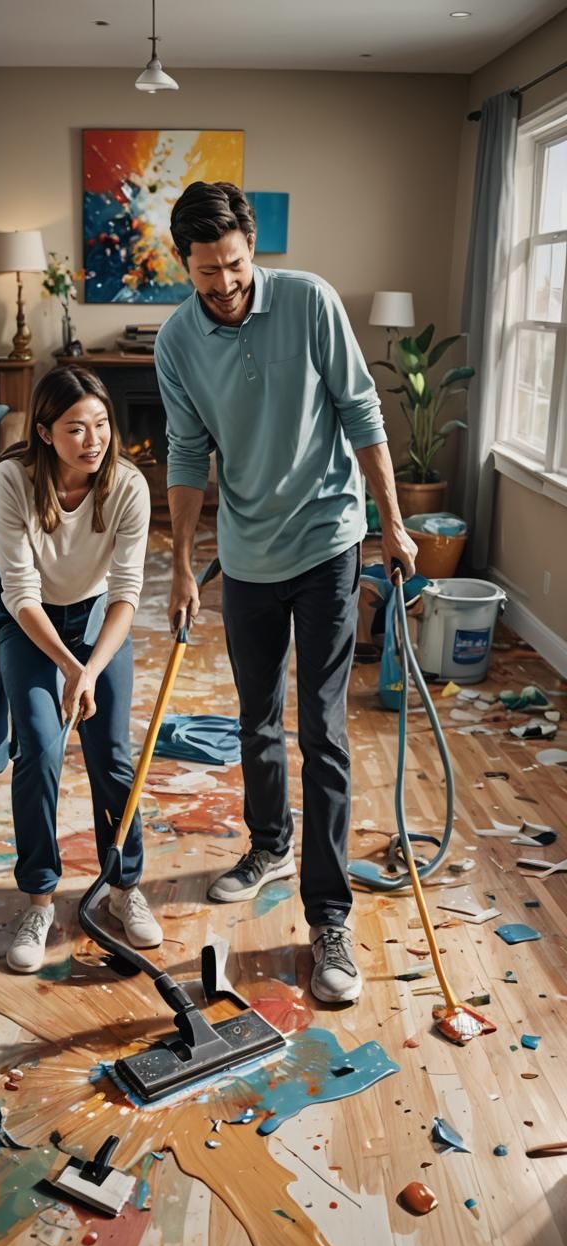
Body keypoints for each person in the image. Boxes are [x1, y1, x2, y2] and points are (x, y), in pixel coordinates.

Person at [155, 181, 417, 1005]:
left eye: (233, 266)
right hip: (246, 555)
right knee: (255, 719)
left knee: (325, 731)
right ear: (183, 265)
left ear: (251, 247)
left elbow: (361, 409)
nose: (223, 286)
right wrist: (181, 566)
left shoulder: (308, 301)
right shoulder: (176, 341)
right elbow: (188, 454)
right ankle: (268, 844)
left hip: (329, 540)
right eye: (205, 273)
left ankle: (329, 916)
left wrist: (394, 525)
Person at [0, 366, 159, 973]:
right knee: (40, 750)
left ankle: (123, 887)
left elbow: (127, 591)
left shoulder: (127, 485)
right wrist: (68, 666)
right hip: (29, 619)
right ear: (45, 432)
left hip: (99, 616)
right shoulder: (10, 480)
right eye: (76, 428)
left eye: (101, 424)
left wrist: (91, 668)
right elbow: (20, 592)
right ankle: (40, 898)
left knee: (112, 756)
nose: (93, 439)